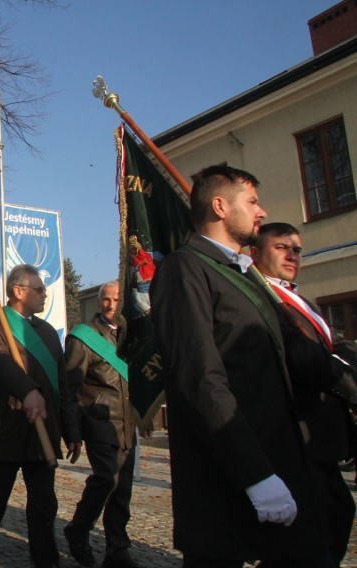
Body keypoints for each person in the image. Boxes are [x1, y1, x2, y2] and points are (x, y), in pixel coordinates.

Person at [150, 165, 327, 567]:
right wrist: (255, 475)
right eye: (251, 202)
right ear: (219, 206)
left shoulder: (243, 275)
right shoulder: (185, 269)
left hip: (280, 461)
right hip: (229, 475)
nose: (261, 212)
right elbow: (200, 377)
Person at [250, 222, 356, 565]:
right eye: (281, 248)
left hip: (320, 435)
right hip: (293, 434)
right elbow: (307, 358)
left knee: (335, 517)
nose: (292, 255)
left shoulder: (297, 299)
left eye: (297, 249)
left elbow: (334, 345)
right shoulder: (264, 298)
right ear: (255, 253)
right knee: (312, 538)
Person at [0, 264, 76, 568]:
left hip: (44, 430)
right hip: (7, 429)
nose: (45, 294)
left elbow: (63, 384)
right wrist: (28, 390)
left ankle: (45, 559)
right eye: (39, 289)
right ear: (19, 291)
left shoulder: (46, 332)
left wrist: (71, 429)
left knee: (44, 503)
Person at [63, 280, 141, 568]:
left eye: (116, 300)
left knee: (123, 489)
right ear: (99, 303)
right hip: (98, 421)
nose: (111, 305)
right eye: (106, 300)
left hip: (126, 422)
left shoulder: (131, 337)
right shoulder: (83, 337)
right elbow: (69, 387)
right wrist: (71, 431)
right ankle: (78, 529)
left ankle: (117, 551)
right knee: (107, 479)